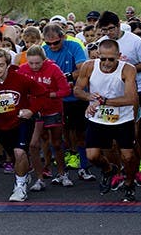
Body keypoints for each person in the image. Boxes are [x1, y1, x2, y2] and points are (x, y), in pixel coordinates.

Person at [0, 49, 47, 202]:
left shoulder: (20, 79)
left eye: (0, 65)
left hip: (22, 122)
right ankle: (23, 175)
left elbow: (42, 93)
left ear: (7, 65)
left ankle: (19, 187)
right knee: (14, 157)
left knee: (20, 152)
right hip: (1, 126)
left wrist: (31, 110)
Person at [73, 39, 139, 202]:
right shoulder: (89, 66)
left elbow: (130, 98)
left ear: (119, 56)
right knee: (92, 156)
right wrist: (89, 96)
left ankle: (129, 184)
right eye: (103, 59)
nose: (107, 63)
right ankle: (108, 169)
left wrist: (101, 101)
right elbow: (77, 90)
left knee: (128, 156)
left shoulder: (128, 69)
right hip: (98, 118)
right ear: (98, 56)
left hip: (123, 118)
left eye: (111, 59)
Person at [96, 11, 141, 186]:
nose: (108, 33)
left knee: (135, 133)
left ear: (119, 25)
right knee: (112, 138)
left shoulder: (135, 41)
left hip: (136, 90)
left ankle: (138, 166)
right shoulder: (101, 44)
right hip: (110, 95)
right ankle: (119, 169)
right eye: (104, 30)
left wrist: (126, 69)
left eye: (111, 29)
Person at [42, 23, 95, 181]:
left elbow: (82, 69)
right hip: (55, 99)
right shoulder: (43, 50)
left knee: (80, 134)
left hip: (75, 98)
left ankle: (84, 167)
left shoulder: (74, 46)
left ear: (63, 37)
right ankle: (60, 171)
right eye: (49, 43)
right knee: (56, 136)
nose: (52, 46)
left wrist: (68, 77)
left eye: (56, 42)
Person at [18, 46, 72, 191]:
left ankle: (62, 173)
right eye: (31, 63)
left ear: (44, 60)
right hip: (35, 112)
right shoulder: (22, 69)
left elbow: (66, 90)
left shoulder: (53, 68)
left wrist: (47, 94)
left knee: (56, 143)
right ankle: (39, 177)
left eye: (38, 63)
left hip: (53, 110)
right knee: (34, 145)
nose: (34, 66)